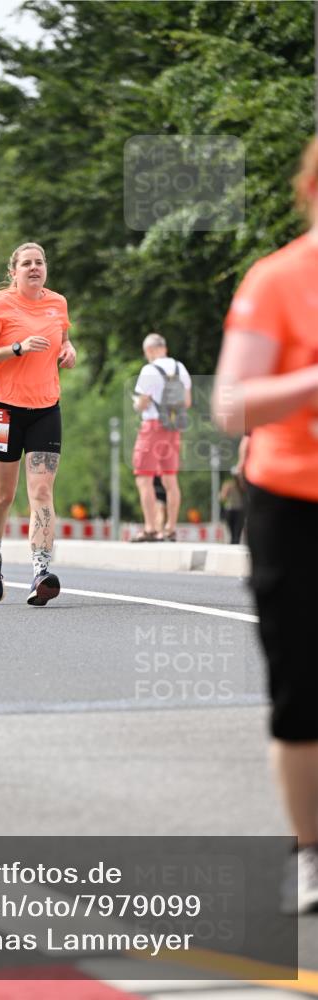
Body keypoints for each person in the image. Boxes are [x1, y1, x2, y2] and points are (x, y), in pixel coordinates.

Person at [213, 137, 318, 914]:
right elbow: (230, 405)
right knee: (302, 689)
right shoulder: (277, 281)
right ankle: (310, 852)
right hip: (295, 503)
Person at [0, 241, 76, 605]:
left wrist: (68, 349)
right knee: (3, 496)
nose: (34, 267)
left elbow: (63, 336)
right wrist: (16, 348)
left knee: (42, 492)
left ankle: (41, 572)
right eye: (26, 263)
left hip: (46, 407)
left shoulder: (57, 303)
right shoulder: (0, 304)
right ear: (13, 272)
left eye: (40, 262)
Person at [131, 333, 192, 542]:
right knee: (170, 478)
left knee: (143, 477)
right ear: (164, 347)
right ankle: (170, 528)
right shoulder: (180, 368)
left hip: (152, 426)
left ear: (149, 350)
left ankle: (150, 528)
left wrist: (136, 404)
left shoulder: (149, 369)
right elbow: (187, 401)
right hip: (174, 427)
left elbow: (143, 403)